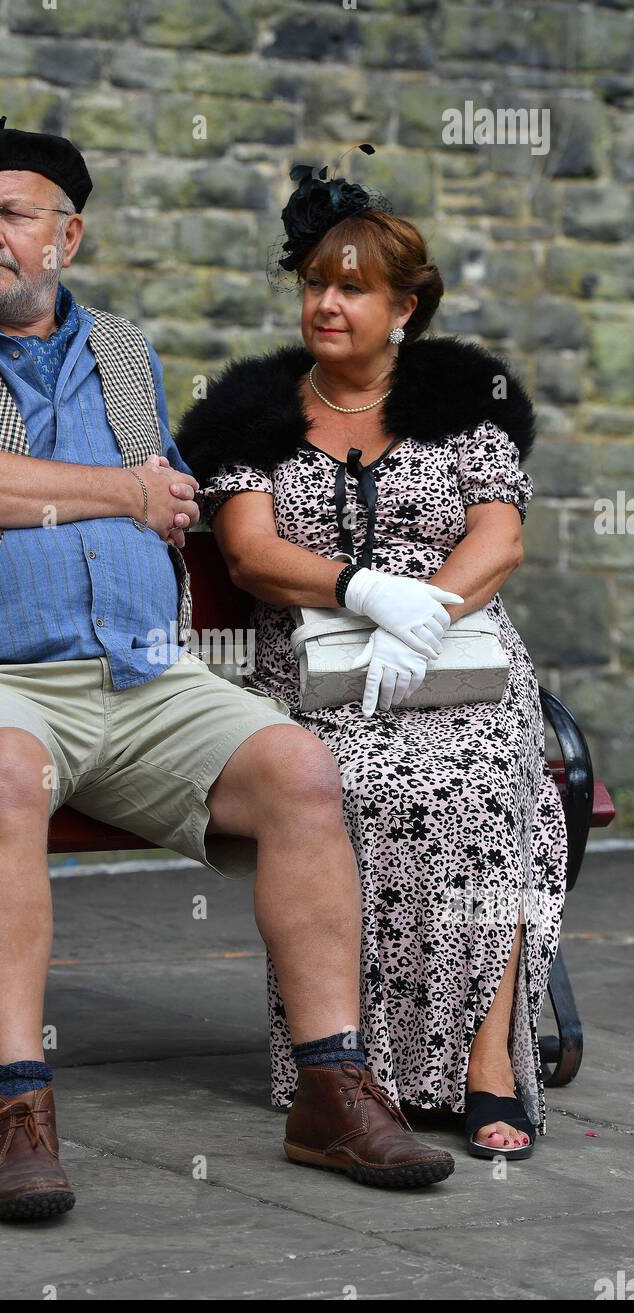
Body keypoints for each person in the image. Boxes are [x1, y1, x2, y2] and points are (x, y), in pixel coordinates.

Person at [0, 123, 456, 1220]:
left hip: (140, 676)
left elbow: (175, 487)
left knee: (300, 773)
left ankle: (330, 1085)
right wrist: (122, 493)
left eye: (13, 213)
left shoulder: (124, 351)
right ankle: (18, 1107)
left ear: (64, 237)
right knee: (8, 769)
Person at [176, 154, 568, 1162]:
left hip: (461, 656)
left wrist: (423, 616)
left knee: (487, 783)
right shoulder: (250, 413)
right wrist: (363, 594)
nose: (326, 302)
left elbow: (498, 540)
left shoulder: (463, 402)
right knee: (347, 783)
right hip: (312, 663)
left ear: (404, 306)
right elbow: (250, 552)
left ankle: (487, 1062)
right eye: (314, 281)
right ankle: (353, 1072)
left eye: (351, 286)